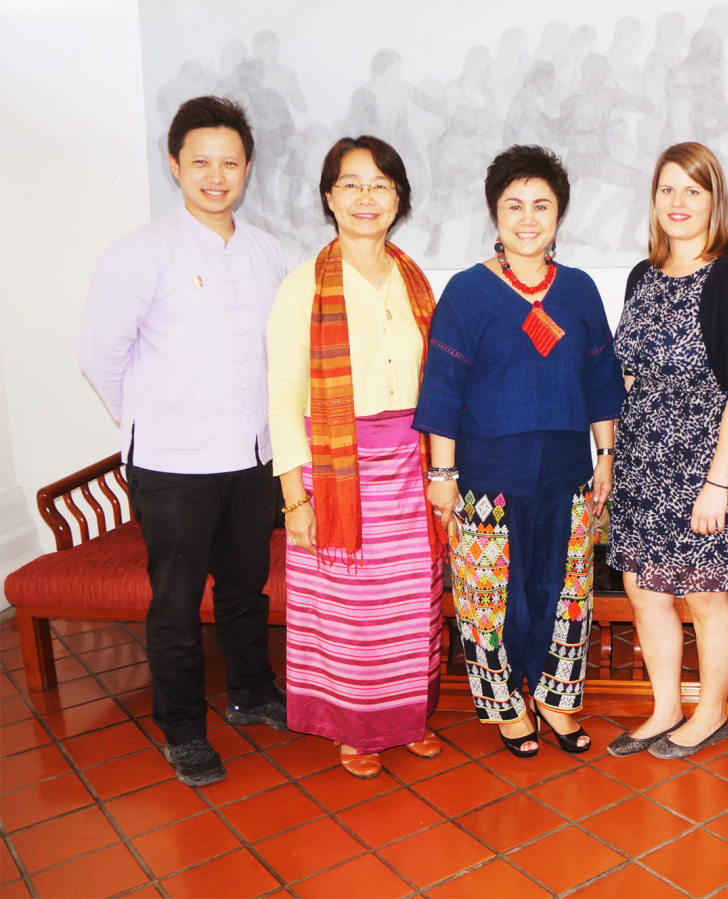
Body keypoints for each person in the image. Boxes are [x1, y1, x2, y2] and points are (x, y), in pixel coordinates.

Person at [77, 97, 288, 787]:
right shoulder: (141, 252)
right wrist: (149, 421)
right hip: (172, 465)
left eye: (229, 162)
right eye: (201, 161)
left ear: (247, 168)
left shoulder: (267, 251)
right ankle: (183, 729)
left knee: (245, 589)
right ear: (175, 165)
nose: (215, 176)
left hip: (252, 458)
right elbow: (100, 354)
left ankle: (251, 692)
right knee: (175, 602)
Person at [415, 146, 625, 758]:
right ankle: (507, 704)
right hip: (487, 475)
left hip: (567, 472)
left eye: (541, 205)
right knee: (493, 599)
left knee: (563, 592)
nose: (527, 219)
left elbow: (600, 381)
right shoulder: (467, 292)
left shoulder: (579, 289)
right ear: (495, 214)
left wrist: (606, 456)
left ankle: (556, 699)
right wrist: (442, 472)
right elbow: (442, 390)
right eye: (514, 206)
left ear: (558, 215)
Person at [267, 136, 447, 778]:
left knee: (411, 604)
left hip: (411, 468)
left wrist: (443, 471)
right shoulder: (302, 287)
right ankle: (356, 727)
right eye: (351, 184)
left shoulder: (416, 281)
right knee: (350, 612)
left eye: (380, 184)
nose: (365, 197)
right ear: (329, 197)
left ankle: (408, 718)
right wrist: (295, 498)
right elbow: (283, 399)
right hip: (335, 473)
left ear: (398, 198)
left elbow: (442, 386)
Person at [605, 143, 728, 759]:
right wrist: (608, 455)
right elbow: (626, 373)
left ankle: (711, 714)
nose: (678, 202)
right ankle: (665, 708)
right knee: (644, 591)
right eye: (667, 189)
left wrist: (718, 484)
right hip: (643, 460)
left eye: (693, 190)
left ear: (714, 200)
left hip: (709, 462)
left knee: (704, 594)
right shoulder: (642, 276)